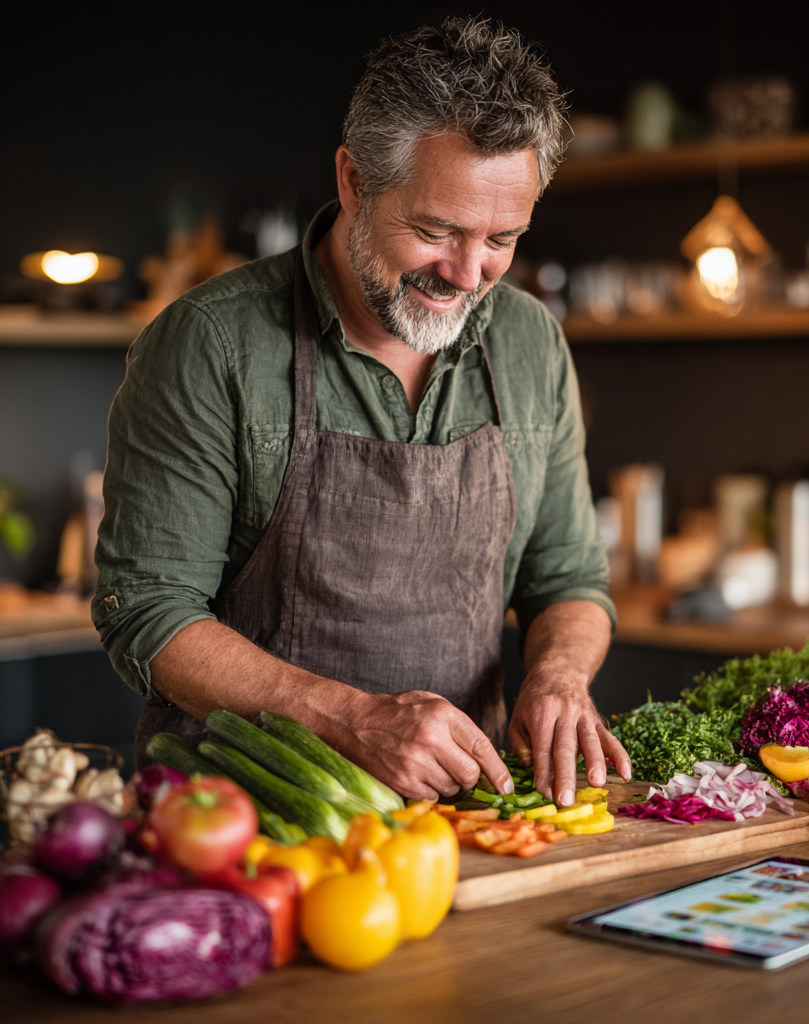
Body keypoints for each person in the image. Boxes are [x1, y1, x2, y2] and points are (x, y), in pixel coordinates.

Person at [93, 16, 630, 809]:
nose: (468, 272)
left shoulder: (529, 344)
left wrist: (558, 675)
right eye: (435, 230)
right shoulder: (211, 344)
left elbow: (571, 579)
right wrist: (349, 717)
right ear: (353, 181)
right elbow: (147, 611)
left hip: (467, 823)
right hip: (243, 829)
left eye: (502, 238)